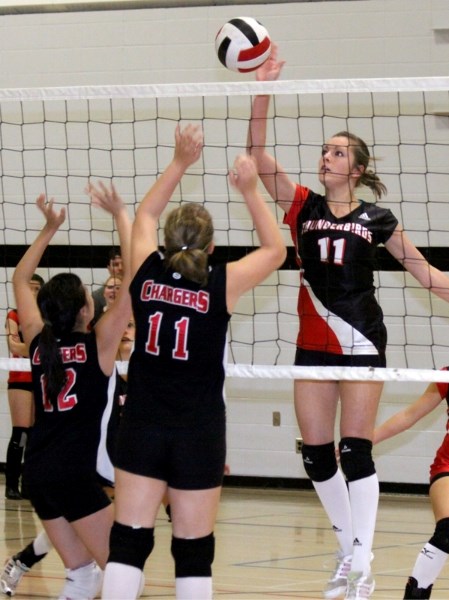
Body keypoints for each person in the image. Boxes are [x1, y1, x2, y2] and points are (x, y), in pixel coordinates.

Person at [247, 46, 449, 600]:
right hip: (312, 342)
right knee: (316, 456)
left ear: (356, 170)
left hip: (362, 339)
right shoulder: (302, 207)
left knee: (355, 450)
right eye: (326, 150)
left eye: (339, 153)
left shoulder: (376, 218)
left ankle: (361, 563)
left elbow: (428, 275)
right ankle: (348, 550)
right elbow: (256, 152)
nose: (327, 157)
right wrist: (261, 87)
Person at [101, 123, 286, 600]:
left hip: (141, 423)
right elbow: (276, 251)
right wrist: (248, 189)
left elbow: (144, 213)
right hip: (199, 431)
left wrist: (181, 161)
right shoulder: (220, 283)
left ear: (165, 242)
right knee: (194, 549)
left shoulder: (143, 272)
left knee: (128, 541)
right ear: (211, 248)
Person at [11, 182, 132, 600]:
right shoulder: (98, 344)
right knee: (122, 572)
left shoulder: (37, 340)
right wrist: (120, 215)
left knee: (82, 575)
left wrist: (48, 228)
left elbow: (19, 277)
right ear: (86, 309)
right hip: (73, 474)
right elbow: (133, 281)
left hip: (37, 471)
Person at [0, 318, 136, 598]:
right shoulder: (98, 359)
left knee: (83, 527)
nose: (126, 330)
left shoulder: (146, 370)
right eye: (125, 324)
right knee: (87, 528)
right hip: (91, 458)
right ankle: (27, 562)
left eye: (133, 326)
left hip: (123, 458)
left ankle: (26, 561)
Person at [374, 373, 449, 599]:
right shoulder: (446, 375)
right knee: (447, 531)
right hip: (447, 466)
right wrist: (365, 440)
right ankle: (415, 594)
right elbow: (410, 414)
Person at [4, 273, 44, 500]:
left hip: (40, 376)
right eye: (29, 287)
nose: (33, 292)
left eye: (37, 288)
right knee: (20, 432)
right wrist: (37, 348)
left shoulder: (45, 316)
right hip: (20, 376)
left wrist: (31, 347)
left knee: (37, 434)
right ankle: (11, 485)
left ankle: (30, 485)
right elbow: (14, 345)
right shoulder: (14, 314)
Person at [92, 248, 123, 323]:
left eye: (124, 264)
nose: (120, 268)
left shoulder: (138, 291)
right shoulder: (97, 296)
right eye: (115, 265)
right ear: (109, 268)